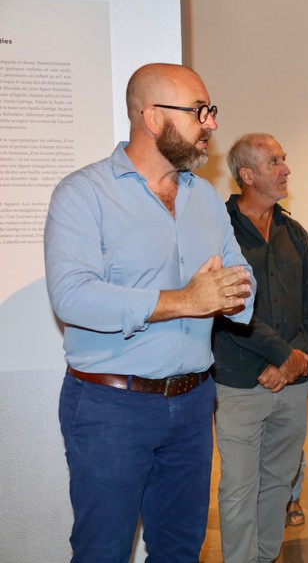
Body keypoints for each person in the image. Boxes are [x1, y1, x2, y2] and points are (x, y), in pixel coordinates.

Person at [44, 63, 255, 562]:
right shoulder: (83, 193)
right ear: (153, 117)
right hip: (110, 409)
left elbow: (241, 279)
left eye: (211, 110)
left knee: (182, 549)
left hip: (195, 401)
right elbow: (72, 296)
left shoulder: (204, 196)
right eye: (200, 111)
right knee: (104, 550)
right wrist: (185, 300)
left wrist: (224, 293)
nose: (211, 124)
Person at [212, 133, 308, 563]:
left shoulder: (292, 231)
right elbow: (225, 306)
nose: (286, 168)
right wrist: (283, 355)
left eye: (284, 159)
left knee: (279, 480)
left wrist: (292, 362)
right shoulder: (217, 229)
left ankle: (265, 557)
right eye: (275, 161)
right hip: (240, 381)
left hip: (291, 384)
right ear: (247, 174)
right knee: (239, 487)